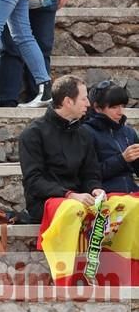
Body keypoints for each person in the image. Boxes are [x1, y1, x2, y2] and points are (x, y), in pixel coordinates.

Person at [19, 75, 106, 222]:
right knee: (74, 210)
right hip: (45, 201)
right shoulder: (33, 133)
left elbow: (91, 174)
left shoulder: (83, 133)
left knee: (124, 206)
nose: (88, 104)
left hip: (78, 198)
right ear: (68, 101)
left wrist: (95, 189)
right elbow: (34, 181)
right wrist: (69, 194)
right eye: (84, 99)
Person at [83, 81, 139, 193]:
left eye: (122, 106)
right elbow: (87, 174)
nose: (120, 112)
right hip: (103, 195)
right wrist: (122, 159)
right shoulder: (86, 131)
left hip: (131, 192)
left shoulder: (129, 132)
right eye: (114, 107)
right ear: (98, 108)